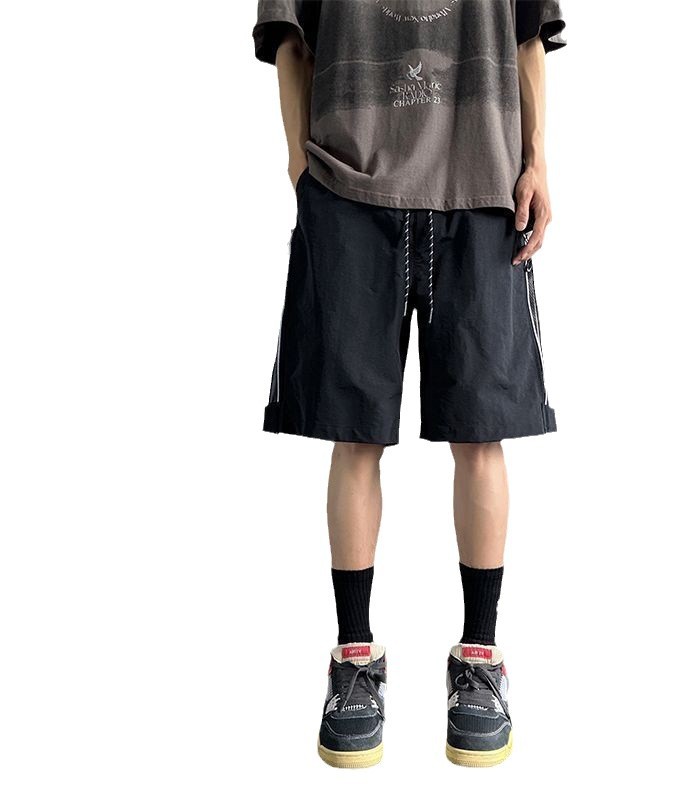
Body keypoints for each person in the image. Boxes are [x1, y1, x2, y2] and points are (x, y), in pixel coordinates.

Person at [252, 0, 566, 768]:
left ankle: (480, 659)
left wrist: (537, 161)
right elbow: (290, 34)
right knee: (354, 434)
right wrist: (300, 166)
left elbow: (527, 34)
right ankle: (354, 658)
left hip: (484, 185)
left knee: (481, 433)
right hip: (348, 184)